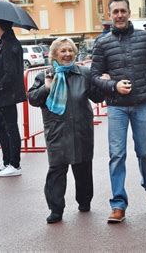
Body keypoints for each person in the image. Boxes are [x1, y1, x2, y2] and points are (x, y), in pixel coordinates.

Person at [91, 0, 146, 224]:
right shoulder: (102, 43)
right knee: (117, 155)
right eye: (115, 11)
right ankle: (118, 204)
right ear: (109, 15)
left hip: (142, 104)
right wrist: (113, 85)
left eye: (122, 11)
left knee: (144, 152)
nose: (119, 15)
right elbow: (94, 76)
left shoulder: (145, 38)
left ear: (129, 12)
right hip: (116, 106)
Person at [28, 37, 105, 224]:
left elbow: (96, 98)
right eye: (63, 51)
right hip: (57, 129)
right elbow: (33, 99)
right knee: (56, 170)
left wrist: (104, 84)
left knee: (83, 167)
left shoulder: (84, 73)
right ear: (54, 55)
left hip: (81, 128)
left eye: (70, 50)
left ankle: (84, 201)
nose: (67, 54)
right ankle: (56, 209)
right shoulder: (45, 75)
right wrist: (46, 88)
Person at [0, 19, 26, 177]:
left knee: (9, 127)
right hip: (7, 94)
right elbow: (4, 68)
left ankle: (13, 164)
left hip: (7, 94)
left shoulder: (8, 45)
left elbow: (10, 72)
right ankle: (9, 162)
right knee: (1, 127)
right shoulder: (6, 43)